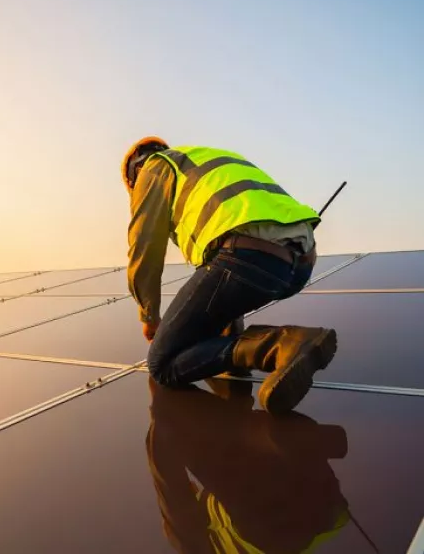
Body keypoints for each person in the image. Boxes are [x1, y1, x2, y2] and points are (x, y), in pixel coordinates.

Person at [122, 136, 337, 414]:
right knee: (215, 308)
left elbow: (144, 245)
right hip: (297, 264)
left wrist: (149, 317)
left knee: (162, 364)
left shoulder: (153, 167)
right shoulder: (209, 161)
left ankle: (282, 345)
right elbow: (223, 289)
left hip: (246, 255)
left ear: (133, 173)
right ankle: (240, 359)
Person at [145, 376, 350, 553]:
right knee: (180, 422)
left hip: (322, 509)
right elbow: (169, 491)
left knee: (239, 442)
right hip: (268, 530)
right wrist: (161, 408)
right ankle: (272, 435)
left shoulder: (213, 500)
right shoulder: (192, 545)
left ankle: (285, 436)